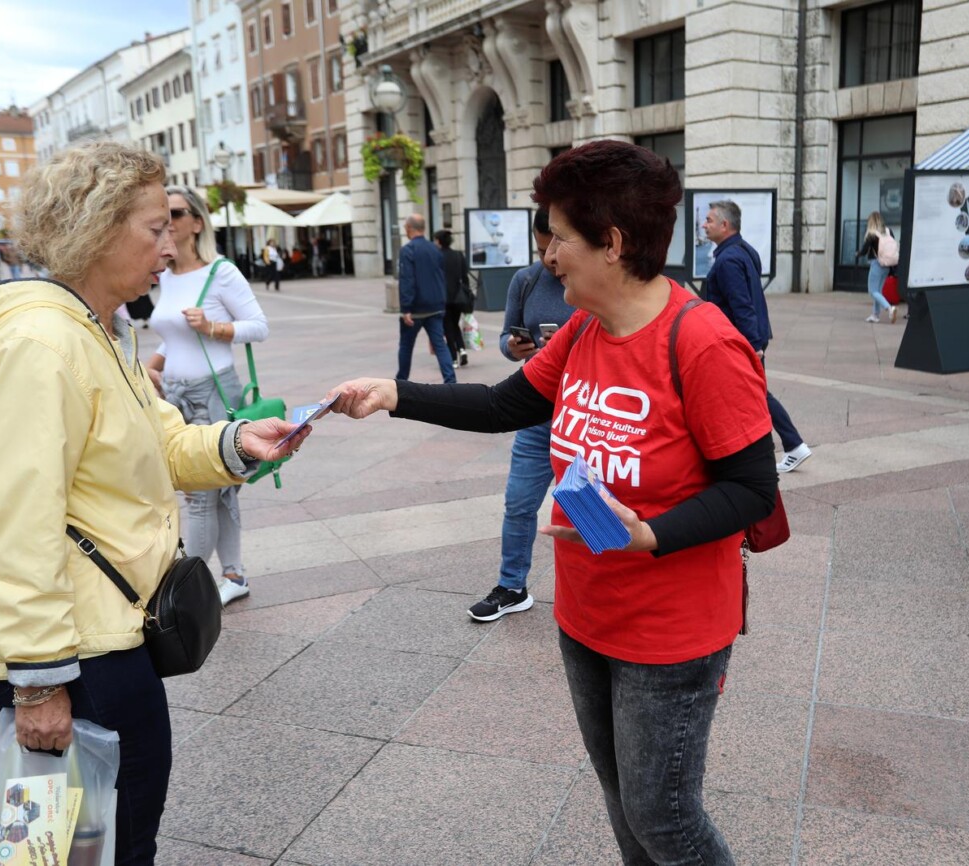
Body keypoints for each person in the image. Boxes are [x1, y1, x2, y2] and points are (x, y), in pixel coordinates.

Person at [329, 141, 777, 865]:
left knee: (663, 816)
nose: (546, 256)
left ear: (614, 244)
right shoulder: (584, 329)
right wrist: (395, 394)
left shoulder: (702, 342)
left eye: (559, 237)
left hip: (672, 630)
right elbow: (505, 401)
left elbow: (754, 489)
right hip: (587, 611)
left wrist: (651, 535)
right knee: (621, 800)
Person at [0, 142, 307, 864]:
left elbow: (162, 442)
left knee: (88, 841)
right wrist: (40, 684)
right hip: (70, 653)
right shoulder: (41, 345)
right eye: (154, 228)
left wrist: (237, 443)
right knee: (96, 844)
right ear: (94, 227)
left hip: (103, 630)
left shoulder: (98, 328)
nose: (170, 248)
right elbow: (12, 522)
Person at [146, 185, 270, 606]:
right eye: (164, 213)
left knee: (202, 494)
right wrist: (154, 365)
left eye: (177, 213)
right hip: (174, 397)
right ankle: (233, 575)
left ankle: (186, 597)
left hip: (212, 392)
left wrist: (214, 328)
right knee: (214, 490)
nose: (169, 220)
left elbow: (258, 325)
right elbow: (172, 336)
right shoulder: (163, 273)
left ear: (197, 223)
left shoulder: (221, 272)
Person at [464, 209, 577, 622]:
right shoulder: (526, 280)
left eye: (556, 248)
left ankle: (598, 592)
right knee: (518, 503)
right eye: (541, 248)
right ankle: (512, 586)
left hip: (582, 415)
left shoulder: (585, 281)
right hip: (535, 411)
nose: (549, 258)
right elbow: (505, 337)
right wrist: (514, 349)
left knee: (585, 507)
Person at [703, 200, 813, 474]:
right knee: (747, 395)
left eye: (709, 220)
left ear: (724, 225)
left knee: (757, 395)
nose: (704, 225)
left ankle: (793, 445)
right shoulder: (744, 250)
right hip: (747, 339)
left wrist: (752, 346)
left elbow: (742, 304)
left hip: (739, 341)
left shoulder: (728, 259)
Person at [396, 214, 457, 384]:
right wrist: (441, 304)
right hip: (436, 306)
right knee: (440, 345)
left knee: (406, 346)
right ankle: (450, 381)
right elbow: (440, 277)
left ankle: (401, 382)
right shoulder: (435, 249)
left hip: (415, 309)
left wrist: (406, 308)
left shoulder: (407, 250)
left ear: (409, 228)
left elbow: (407, 280)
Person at [435, 229, 473, 368]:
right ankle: (462, 350)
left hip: (442, 298)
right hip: (458, 297)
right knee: (454, 324)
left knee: (447, 327)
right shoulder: (458, 255)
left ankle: (453, 358)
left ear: (438, 241)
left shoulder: (437, 256)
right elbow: (465, 277)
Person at [858, 211, 899, 324]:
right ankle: (875, 315)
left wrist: (858, 254)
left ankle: (889, 308)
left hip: (877, 263)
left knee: (872, 291)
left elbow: (864, 250)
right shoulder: (888, 231)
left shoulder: (871, 234)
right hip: (887, 264)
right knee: (878, 291)